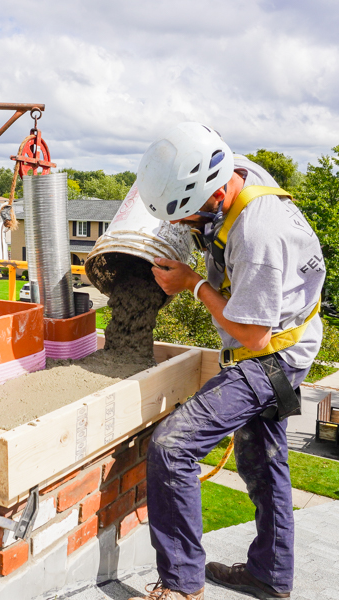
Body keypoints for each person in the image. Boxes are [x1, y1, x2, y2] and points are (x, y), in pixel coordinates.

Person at [131, 122, 325, 600]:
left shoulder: (259, 235)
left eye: (187, 217)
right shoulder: (234, 173)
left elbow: (254, 337)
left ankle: (181, 586)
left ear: (215, 194)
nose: (182, 227)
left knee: (173, 447)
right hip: (284, 342)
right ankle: (270, 574)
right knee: (262, 458)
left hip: (271, 355)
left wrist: (193, 285)